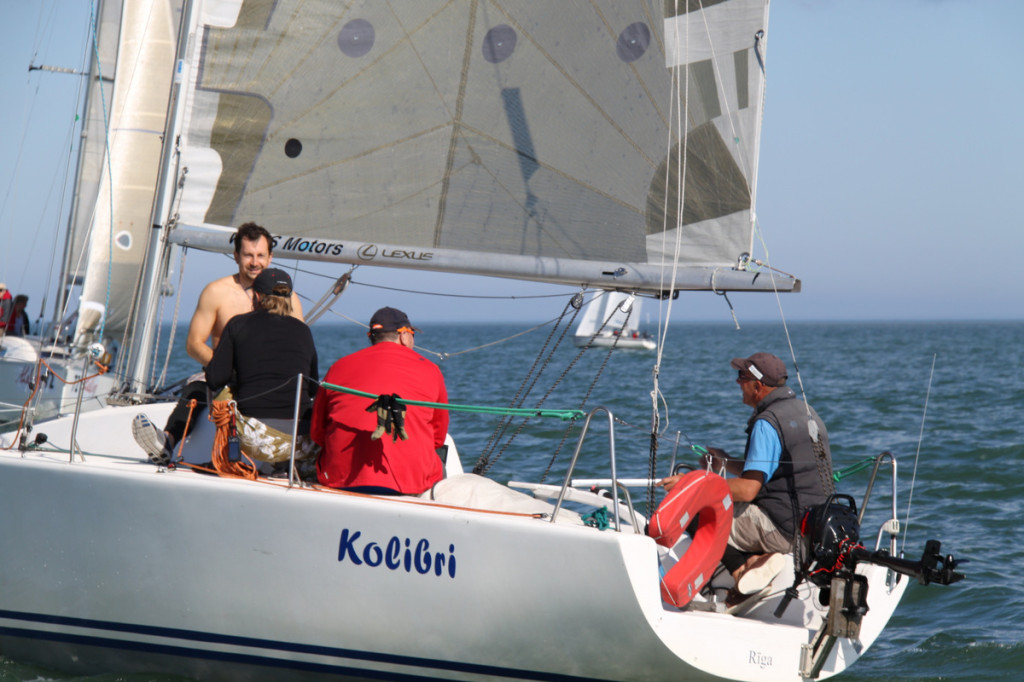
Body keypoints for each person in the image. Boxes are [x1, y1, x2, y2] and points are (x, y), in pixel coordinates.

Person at [658, 352, 833, 600]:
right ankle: (755, 559)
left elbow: (749, 489)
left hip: (783, 531)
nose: (737, 382)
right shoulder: (806, 412)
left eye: (742, 377)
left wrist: (691, 484)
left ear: (757, 386)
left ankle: (743, 571)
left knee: (694, 507)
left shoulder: (767, 422)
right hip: (814, 528)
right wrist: (725, 461)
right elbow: (770, 469)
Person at [132, 222, 303, 463]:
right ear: (236, 256)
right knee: (197, 386)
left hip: (271, 382)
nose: (255, 262)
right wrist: (225, 369)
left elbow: (300, 344)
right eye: (248, 255)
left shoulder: (288, 296)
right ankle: (166, 441)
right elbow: (194, 343)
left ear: (270, 257)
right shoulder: (216, 292)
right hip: (224, 377)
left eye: (261, 255)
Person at [311, 307, 448, 495]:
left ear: (371, 337)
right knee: (440, 467)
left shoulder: (338, 367)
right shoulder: (431, 370)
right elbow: (438, 437)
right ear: (404, 336)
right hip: (409, 482)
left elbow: (317, 431)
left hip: (340, 478)